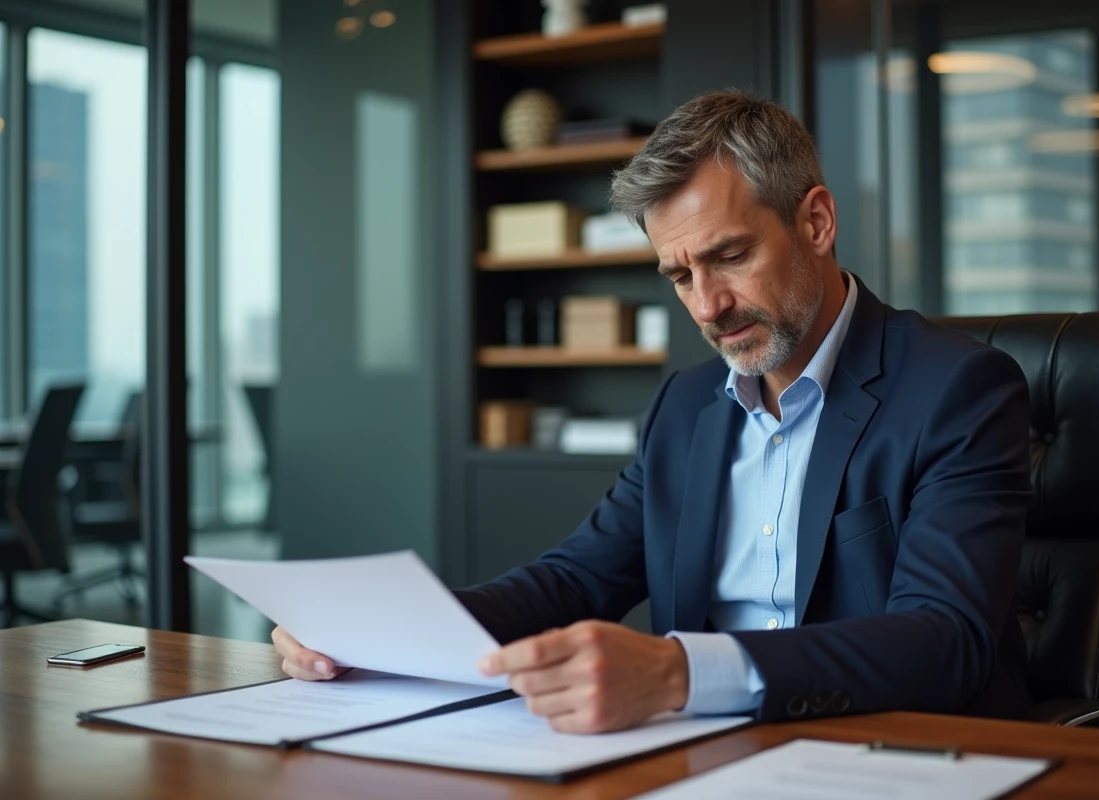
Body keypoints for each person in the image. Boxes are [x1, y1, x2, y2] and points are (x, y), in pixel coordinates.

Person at [272, 91, 1033, 734]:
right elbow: (574, 581)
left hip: (882, 753)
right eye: (679, 275)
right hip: (697, 753)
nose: (708, 306)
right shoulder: (685, 405)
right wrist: (383, 633)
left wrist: (678, 672)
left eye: (730, 256)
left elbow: (946, 640)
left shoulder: (959, 389)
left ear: (815, 222)